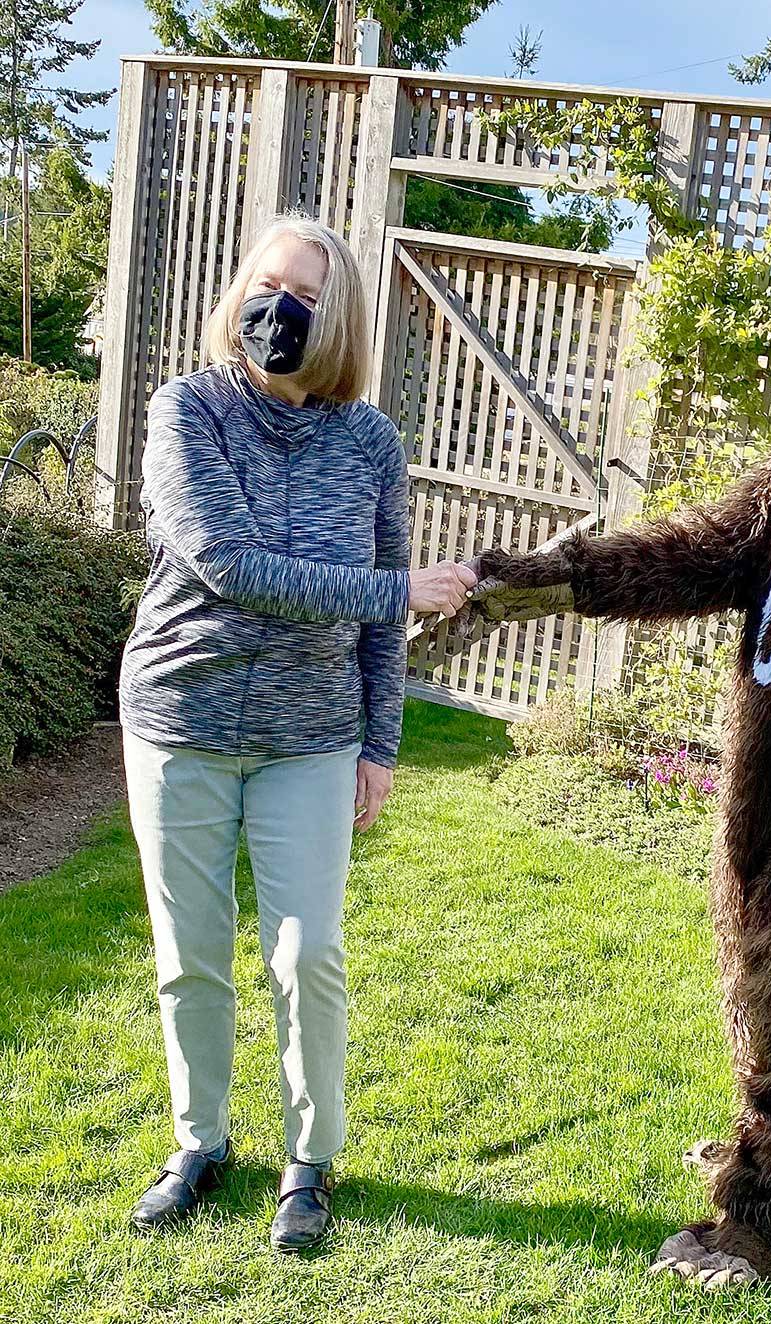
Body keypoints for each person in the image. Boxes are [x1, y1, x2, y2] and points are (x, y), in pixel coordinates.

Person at [118, 213, 475, 1250]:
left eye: (306, 298)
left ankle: (308, 1161)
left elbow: (377, 624)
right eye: (268, 285)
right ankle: (199, 1143)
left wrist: (379, 743)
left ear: (339, 321)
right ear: (239, 293)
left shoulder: (369, 443)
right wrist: (400, 586)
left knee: (308, 951)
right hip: (179, 719)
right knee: (191, 954)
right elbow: (226, 561)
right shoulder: (187, 410)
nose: (279, 311)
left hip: (311, 736)